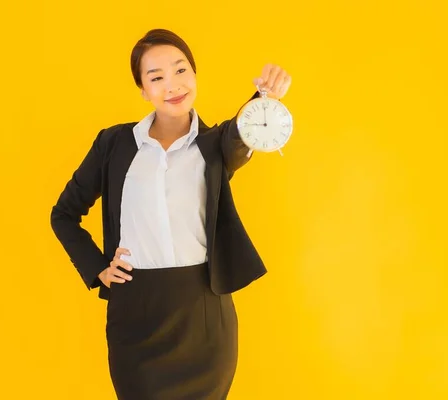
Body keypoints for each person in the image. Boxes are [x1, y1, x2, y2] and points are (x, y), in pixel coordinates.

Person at [50, 28, 292, 400]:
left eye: (181, 71)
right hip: (135, 316)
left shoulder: (215, 145)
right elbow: (63, 213)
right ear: (143, 91)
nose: (172, 85)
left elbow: (244, 131)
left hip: (205, 318)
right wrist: (97, 267)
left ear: (194, 75)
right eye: (156, 77)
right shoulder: (113, 145)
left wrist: (265, 96)